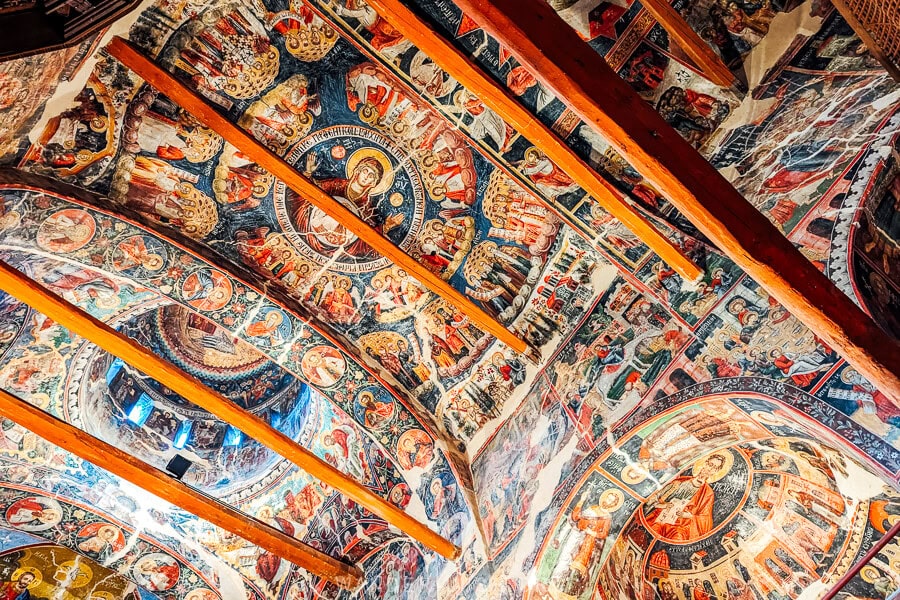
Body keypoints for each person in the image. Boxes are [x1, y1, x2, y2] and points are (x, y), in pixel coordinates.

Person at [644, 454, 726, 541]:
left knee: (677, 537)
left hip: (680, 526)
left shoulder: (707, 493)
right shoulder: (680, 481)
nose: (710, 469)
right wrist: (660, 505)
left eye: (715, 468)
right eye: (710, 465)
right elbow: (653, 498)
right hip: (660, 517)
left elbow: (706, 520)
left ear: (716, 471)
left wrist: (688, 515)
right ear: (705, 463)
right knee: (652, 531)